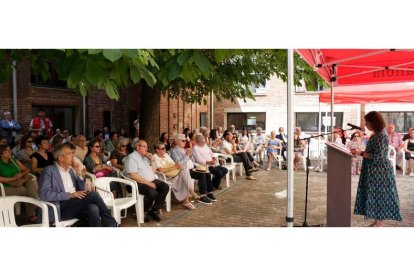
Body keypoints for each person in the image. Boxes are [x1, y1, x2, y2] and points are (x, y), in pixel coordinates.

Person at [38, 143, 119, 227]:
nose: (73, 156)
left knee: (93, 208)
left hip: (74, 204)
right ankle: (112, 223)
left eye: (73, 153)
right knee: (93, 194)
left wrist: (79, 174)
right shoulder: (49, 171)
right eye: (69, 154)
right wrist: (70, 195)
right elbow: (44, 194)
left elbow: (81, 189)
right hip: (60, 207)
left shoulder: (71, 170)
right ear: (61, 158)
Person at [353, 111, 402, 227]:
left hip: (380, 172)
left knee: (379, 196)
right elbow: (373, 153)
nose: (365, 125)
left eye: (367, 122)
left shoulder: (381, 135)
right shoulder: (377, 134)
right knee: (375, 196)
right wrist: (361, 153)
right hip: (375, 171)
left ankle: (378, 224)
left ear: (374, 122)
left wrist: (360, 153)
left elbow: (379, 156)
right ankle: (377, 223)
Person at [124, 138, 170, 222]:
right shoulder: (132, 157)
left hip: (149, 180)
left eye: (146, 147)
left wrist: (152, 159)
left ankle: (153, 210)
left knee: (165, 187)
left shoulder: (144, 157)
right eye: (144, 147)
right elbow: (132, 175)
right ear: (138, 147)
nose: (146, 149)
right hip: (136, 183)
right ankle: (143, 211)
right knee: (153, 193)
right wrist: (149, 183)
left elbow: (153, 171)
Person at [171, 133, 217, 205]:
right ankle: (202, 196)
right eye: (182, 141)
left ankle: (209, 192)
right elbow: (178, 163)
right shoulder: (173, 151)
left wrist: (191, 156)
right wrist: (187, 155)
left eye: (185, 140)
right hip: (184, 170)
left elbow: (192, 160)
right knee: (202, 175)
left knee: (206, 172)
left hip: (192, 168)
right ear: (177, 141)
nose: (185, 142)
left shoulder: (185, 149)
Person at [0, 145, 38, 222]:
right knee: (25, 190)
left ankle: (35, 202)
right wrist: (13, 178)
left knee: (32, 182)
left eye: (10, 150)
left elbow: (27, 169)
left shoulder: (13, 160)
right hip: (5, 186)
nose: (10, 152)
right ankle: (33, 211)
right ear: (1, 154)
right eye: (7, 151)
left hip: (19, 182)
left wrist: (21, 175)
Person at [153, 142, 195, 210]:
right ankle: (189, 195)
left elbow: (174, 164)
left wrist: (177, 166)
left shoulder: (166, 155)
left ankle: (187, 199)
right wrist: (175, 167)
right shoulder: (155, 157)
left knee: (185, 171)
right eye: (163, 148)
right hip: (166, 177)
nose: (165, 150)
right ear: (157, 150)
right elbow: (161, 170)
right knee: (184, 175)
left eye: (165, 148)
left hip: (174, 174)